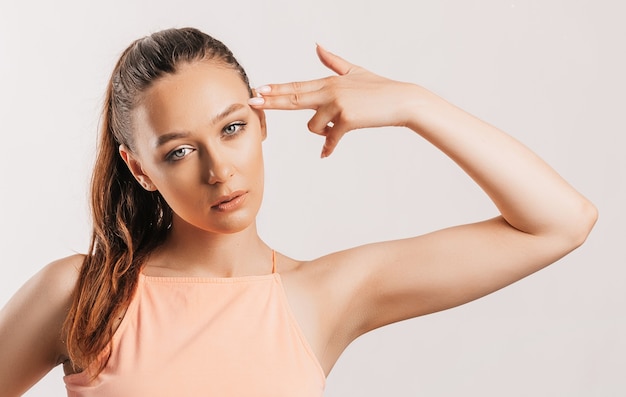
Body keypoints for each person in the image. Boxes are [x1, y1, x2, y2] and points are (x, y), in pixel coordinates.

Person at [0, 27, 597, 396]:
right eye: (179, 151)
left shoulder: (324, 294)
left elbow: (562, 222)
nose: (218, 169)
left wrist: (416, 105)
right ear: (139, 170)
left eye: (231, 128)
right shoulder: (80, 293)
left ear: (261, 124)